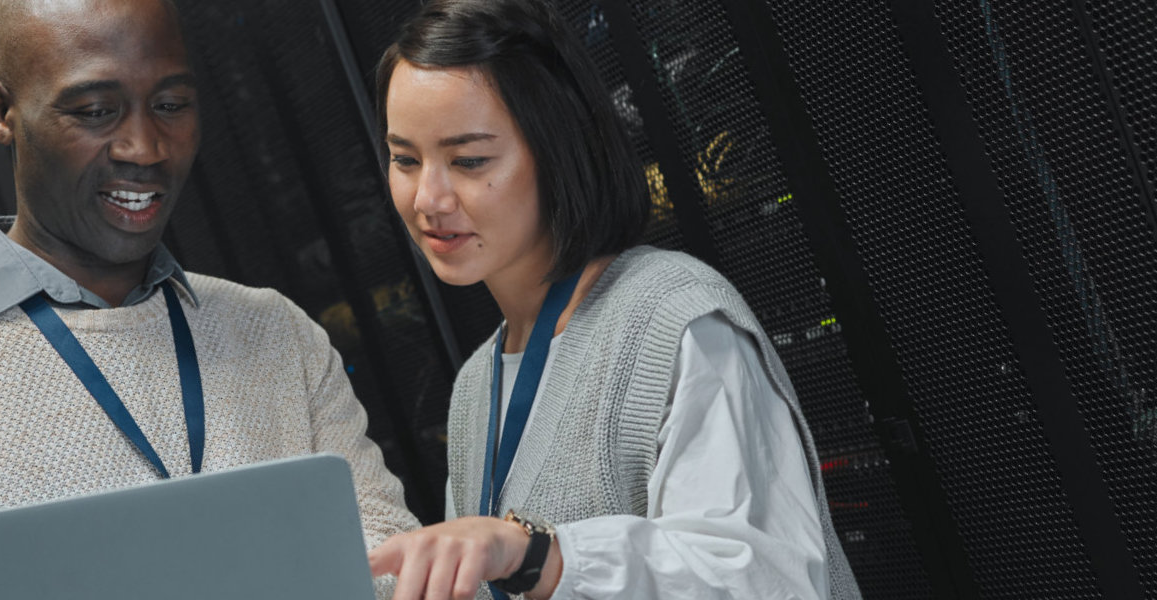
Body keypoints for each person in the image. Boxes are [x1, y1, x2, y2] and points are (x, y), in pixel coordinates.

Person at [0, 0, 418, 597]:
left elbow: (400, 575)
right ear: (1, 111)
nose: (145, 148)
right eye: (93, 111)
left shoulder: (276, 336)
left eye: (170, 104)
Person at [364, 1, 861, 599]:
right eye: (405, 160)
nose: (429, 198)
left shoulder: (673, 318)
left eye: (469, 160)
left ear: (557, 150)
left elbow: (768, 581)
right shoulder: (476, 386)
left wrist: (537, 556)